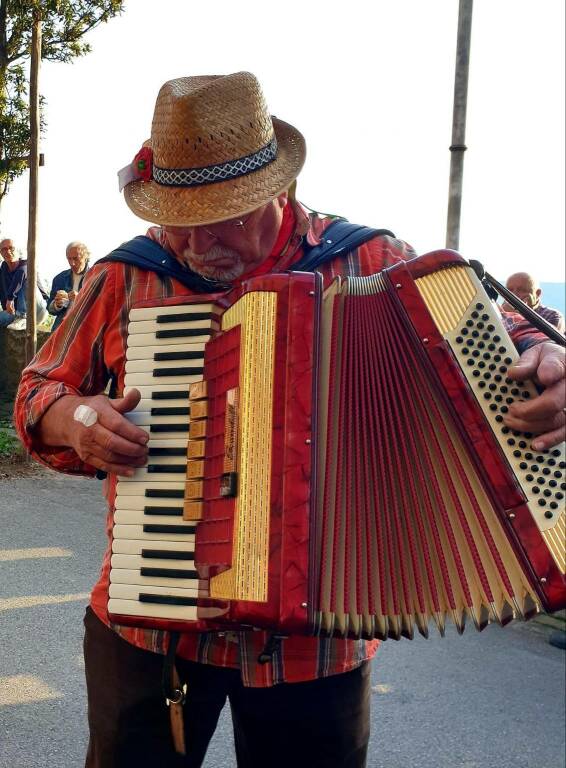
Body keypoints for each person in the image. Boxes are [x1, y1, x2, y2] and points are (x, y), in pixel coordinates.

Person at [14, 73, 566, 768]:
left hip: (318, 648)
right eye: (178, 222)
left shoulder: (372, 261)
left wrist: (546, 359)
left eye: (220, 218)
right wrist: (76, 417)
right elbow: (38, 390)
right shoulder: (129, 275)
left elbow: (514, 336)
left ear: (279, 190)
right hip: (155, 634)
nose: (192, 244)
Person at [0, 238, 48, 327]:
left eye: (11, 248)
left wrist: (10, 299)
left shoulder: (27, 264)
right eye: (4, 249)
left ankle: (23, 317)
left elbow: (22, 272)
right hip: (15, 313)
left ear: (18, 250)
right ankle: (20, 318)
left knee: (26, 278)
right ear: (1, 253)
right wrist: (6, 308)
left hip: (37, 310)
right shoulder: (3, 270)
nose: (8, 251)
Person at [48, 241, 91, 331]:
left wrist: (80, 298)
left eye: (76, 259)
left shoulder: (95, 277)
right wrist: (57, 304)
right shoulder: (59, 278)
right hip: (61, 328)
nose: (72, 263)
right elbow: (50, 309)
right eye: (69, 259)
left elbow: (100, 308)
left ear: (86, 257)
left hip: (85, 327)